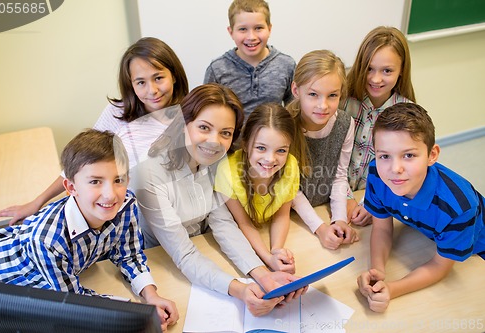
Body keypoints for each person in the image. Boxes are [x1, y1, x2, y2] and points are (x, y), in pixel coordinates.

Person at [131, 84, 305, 317]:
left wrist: (262, 274)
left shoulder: (215, 161)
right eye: (204, 127)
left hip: (204, 250)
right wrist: (240, 290)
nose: (214, 141)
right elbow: (184, 255)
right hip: (159, 262)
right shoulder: (149, 175)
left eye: (225, 133)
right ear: (183, 124)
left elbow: (222, 223)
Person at [0, 129, 179, 331]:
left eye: (118, 180)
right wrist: (139, 317)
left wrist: (151, 296)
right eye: (95, 181)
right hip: (2, 282)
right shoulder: (48, 241)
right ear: (71, 187)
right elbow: (76, 305)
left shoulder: (126, 204)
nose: (110, 195)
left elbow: (128, 256)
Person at [0, 37, 189, 224]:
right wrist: (38, 202)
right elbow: (82, 161)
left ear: (173, 75)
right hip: (105, 209)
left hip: (154, 219)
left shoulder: (191, 119)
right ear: (131, 84)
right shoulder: (119, 112)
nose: (152, 90)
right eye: (141, 82)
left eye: (158, 78)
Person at [357, 103, 485, 313]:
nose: (394, 169)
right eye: (384, 156)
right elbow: (381, 228)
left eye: (408, 155)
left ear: (432, 155)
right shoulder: (377, 174)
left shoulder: (460, 208)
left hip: (478, 251)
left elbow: (439, 267)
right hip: (434, 237)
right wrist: (377, 271)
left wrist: (392, 289)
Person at [342, 26, 416, 227]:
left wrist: (370, 202)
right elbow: (329, 156)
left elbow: (404, 170)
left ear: (401, 71)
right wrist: (346, 198)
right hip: (334, 196)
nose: (376, 79)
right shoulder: (342, 101)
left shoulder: (408, 114)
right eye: (369, 68)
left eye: (387, 71)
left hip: (381, 201)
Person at [215, 103, 301, 274]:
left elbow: (282, 215)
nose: (270, 159)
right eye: (261, 148)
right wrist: (268, 259)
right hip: (235, 244)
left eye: (281, 150)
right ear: (246, 145)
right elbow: (244, 223)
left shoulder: (290, 165)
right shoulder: (227, 171)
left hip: (265, 231)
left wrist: (276, 249)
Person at [287, 50, 359, 250]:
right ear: (296, 90)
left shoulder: (345, 123)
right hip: (291, 217)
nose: (323, 105)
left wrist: (339, 220)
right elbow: (290, 190)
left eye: (332, 95)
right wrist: (320, 228)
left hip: (323, 208)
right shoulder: (284, 126)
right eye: (313, 94)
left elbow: (339, 176)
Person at [203, 0, 295, 118]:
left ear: (269, 29)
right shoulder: (217, 69)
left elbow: (294, 109)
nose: (251, 37)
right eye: (242, 29)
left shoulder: (287, 65)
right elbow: (207, 113)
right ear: (231, 32)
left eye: (258, 28)